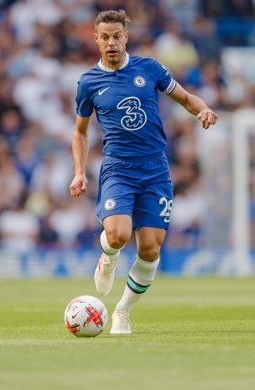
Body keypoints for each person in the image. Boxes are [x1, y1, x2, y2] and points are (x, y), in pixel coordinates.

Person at [69, 9, 217, 334]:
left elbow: (184, 97)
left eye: (116, 36)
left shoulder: (148, 68)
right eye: (104, 37)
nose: (111, 42)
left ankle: (122, 311)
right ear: (95, 39)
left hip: (155, 170)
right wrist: (79, 171)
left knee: (150, 248)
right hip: (119, 170)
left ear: (126, 37)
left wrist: (202, 109)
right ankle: (108, 255)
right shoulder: (88, 83)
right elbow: (80, 131)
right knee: (119, 234)